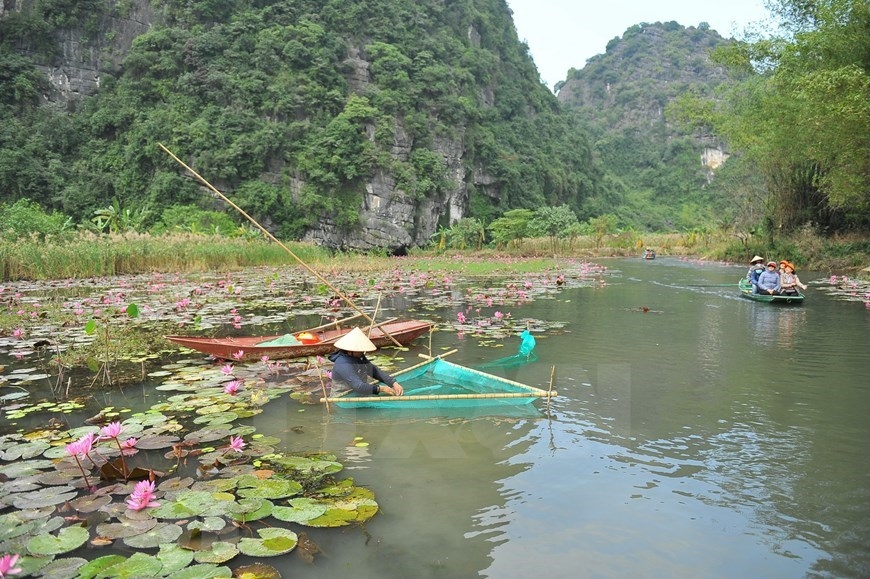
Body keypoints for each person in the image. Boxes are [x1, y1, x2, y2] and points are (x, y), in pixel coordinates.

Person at [328, 327, 404, 396]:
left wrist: (393, 383)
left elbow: (374, 371)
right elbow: (358, 386)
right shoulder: (343, 363)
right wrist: (382, 388)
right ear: (350, 350)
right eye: (359, 350)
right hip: (342, 398)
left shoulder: (359, 357)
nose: (363, 351)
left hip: (359, 394)